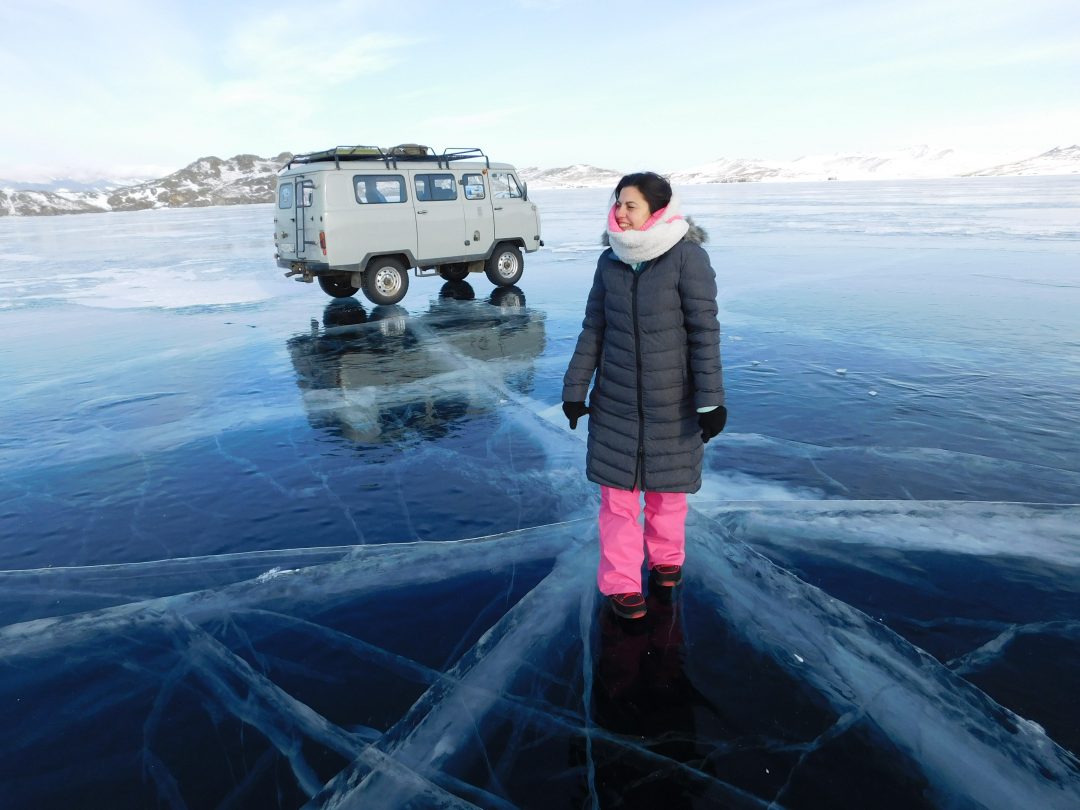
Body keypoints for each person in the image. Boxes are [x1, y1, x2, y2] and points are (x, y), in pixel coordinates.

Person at [562, 172, 726, 619]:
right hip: (615, 401)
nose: (620, 212)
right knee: (617, 500)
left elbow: (703, 332)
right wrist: (575, 389)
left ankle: (667, 561)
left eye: (630, 205)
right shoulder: (609, 261)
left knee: (667, 493)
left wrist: (710, 400)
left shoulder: (686, 258)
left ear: (656, 210)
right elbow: (594, 328)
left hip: (672, 401)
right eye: (617, 203)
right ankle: (621, 584)